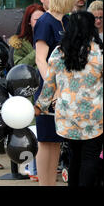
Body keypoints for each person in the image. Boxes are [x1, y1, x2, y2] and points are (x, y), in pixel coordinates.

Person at [35, 11, 102, 186]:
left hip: (67, 115)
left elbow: (49, 84)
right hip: (94, 116)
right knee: (90, 157)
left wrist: (40, 106)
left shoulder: (59, 52)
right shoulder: (99, 52)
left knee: (74, 157)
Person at [33, 0, 78, 186]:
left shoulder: (69, 21)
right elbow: (40, 58)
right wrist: (52, 87)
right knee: (46, 141)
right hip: (50, 91)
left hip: (68, 90)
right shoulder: (45, 21)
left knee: (56, 142)